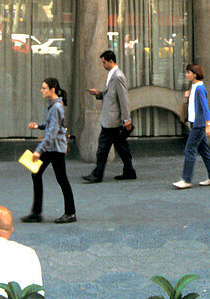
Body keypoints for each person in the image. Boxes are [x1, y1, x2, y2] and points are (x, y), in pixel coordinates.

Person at [22, 78, 76, 224]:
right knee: (37, 174)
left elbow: (52, 132)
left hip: (55, 148)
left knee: (61, 179)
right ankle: (37, 212)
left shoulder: (56, 107)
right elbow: (52, 125)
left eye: (44, 88)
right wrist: (38, 126)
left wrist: (39, 150)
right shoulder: (53, 105)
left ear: (52, 90)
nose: (42, 90)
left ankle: (70, 213)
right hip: (53, 147)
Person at [82, 50, 136, 183]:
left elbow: (123, 99)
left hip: (112, 120)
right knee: (121, 146)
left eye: (104, 62)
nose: (103, 65)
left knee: (103, 148)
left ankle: (97, 174)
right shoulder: (112, 75)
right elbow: (111, 95)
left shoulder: (118, 76)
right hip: (113, 119)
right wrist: (99, 93)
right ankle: (129, 171)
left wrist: (126, 119)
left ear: (111, 61)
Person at [172, 64, 210, 188]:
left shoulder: (199, 89)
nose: (187, 75)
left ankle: (186, 180)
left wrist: (208, 125)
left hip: (199, 125)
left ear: (195, 74)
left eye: (188, 73)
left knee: (189, 149)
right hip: (196, 123)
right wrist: (188, 96)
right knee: (204, 151)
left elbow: (205, 108)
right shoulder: (194, 88)